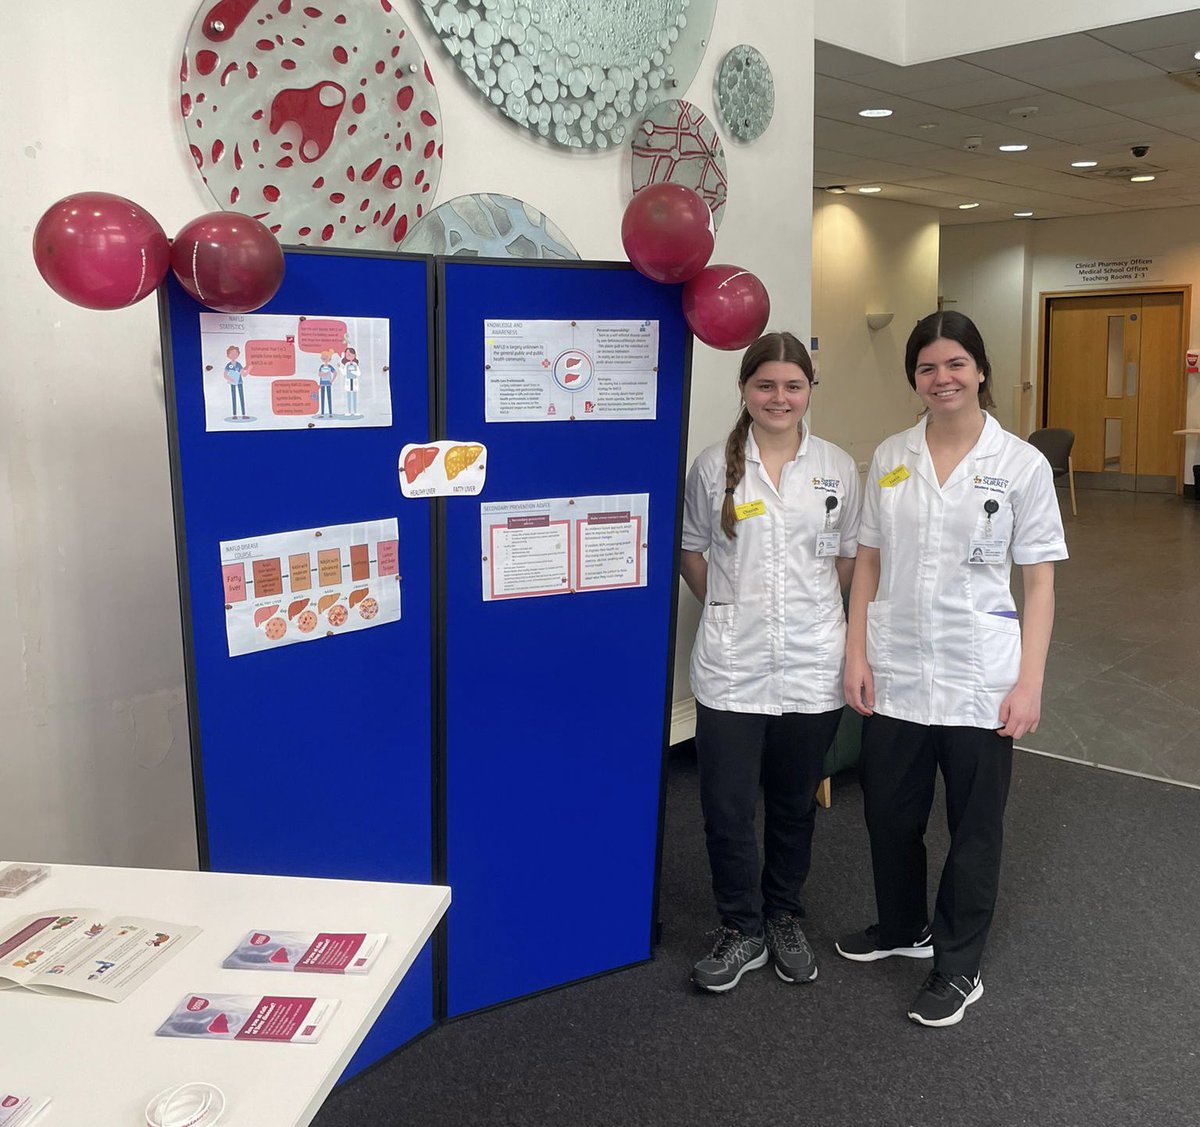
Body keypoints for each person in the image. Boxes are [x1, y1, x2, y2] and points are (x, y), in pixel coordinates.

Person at [838, 310, 1068, 1028]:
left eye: (956, 364)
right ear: (915, 378)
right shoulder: (891, 454)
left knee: (974, 827)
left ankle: (958, 966)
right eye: (928, 367)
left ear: (981, 370)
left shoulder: (1021, 464)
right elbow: (868, 559)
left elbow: (1038, 582)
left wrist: (1029, 681)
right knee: (888, 814)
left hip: (980, 676)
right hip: (898, 666)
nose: (943, 379)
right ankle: (905, 928)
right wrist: (856, 652)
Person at [680, 331, 861, 993]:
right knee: (726, 806)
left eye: (792, 385)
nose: (779, 397)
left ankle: (783, 914)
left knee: (791, 803)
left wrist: (811, 608)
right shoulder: (712, 467)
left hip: (813, 661)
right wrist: (727, 603)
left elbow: (845, 559)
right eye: (766, 385)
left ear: (809, 390)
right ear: (744, 390)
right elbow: (692, 550)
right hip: (733, 663)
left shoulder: (837, 467)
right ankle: (741, 926)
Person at [223, 345, 249, 419]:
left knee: (241, 397)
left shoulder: (238, 364)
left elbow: (243, 374)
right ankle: (234, 415)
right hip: (232, 383)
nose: (234, 356)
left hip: (239, 382)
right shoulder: (228, 365)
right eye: (232, 354)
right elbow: (225, 375)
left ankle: (243, 414)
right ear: (228, 355)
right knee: (234, 397)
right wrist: (231, 379)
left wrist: (249, 369)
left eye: (235, 354)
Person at [340, 346, 361, 417]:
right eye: (347, 355)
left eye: (350, 354)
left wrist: (353, 372)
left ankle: (355, 411)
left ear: (354, 355)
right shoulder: (346, 365)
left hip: (354, 381)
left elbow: (359, 373)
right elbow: (344, 373)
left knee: (354, 397)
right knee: (349, 397)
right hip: (348, 382)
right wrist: (340, 367)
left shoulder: (355, 364)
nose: (348, 356)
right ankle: (349, 411)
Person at [316, 349, 337, 418]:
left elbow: (335, 373)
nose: (324, 358)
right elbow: (319, 374)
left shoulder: (330, 367)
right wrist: (324, 374)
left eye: (325, 357)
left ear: (329, 358)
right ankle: (322, 413)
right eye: (323, 357)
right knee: (322, 398)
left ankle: (330, 413)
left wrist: (332, 380)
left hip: (328, 383)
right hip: (322, 383)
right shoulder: (321, 366)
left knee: (329, 397)